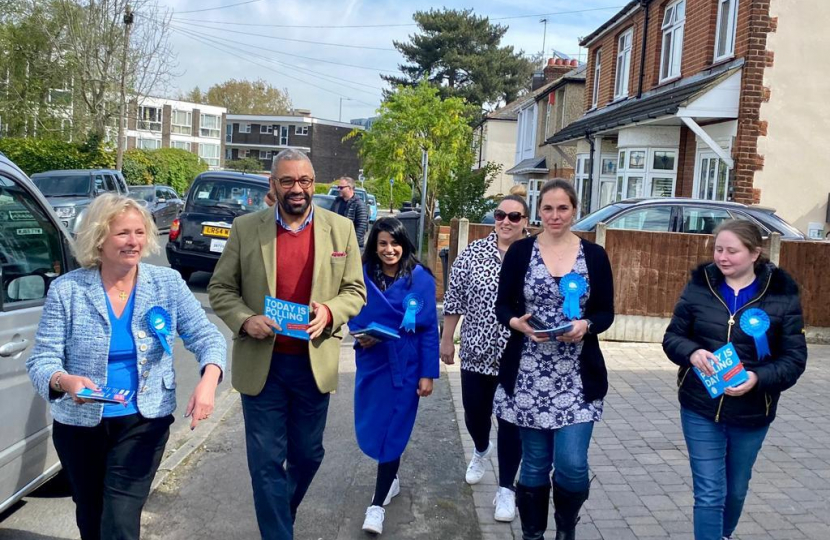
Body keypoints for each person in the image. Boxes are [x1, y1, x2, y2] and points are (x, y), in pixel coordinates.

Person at [26, 194, 226, 540]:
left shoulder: (166, 284)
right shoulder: (67, 290)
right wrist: (66, 381)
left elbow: (208, 337)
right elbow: (41, 360)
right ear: (99, 239)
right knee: (91, 515)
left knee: (120, 519)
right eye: (122, 234)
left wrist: (208, 381)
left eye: (139, 232)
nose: (133, 242)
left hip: (143, 421)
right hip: (80, 426)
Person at [208, 149, 366, 540]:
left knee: (308, 456)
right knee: (265, 464)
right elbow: (221, 288)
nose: (298, 189)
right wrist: (246, 319)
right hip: (264, 366)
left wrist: (329, 312)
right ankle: (278, 532)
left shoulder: (340, 229)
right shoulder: (246, 228)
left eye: (305, 181)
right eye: (288, 181)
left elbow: (355, 291)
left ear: (315, 184)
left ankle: (279, 515)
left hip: (314, 365)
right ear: (273, 185)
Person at [663, 219, 807, 540]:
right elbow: (672, 338)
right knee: (709, 493)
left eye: (732, 251)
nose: (722, 257)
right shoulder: (699, 288)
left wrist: (757, 378)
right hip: (701, 407)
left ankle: (723, 535)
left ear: (755, 253)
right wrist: (692, 353)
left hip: (753, 412)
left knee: (736, 490)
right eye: (718, 249)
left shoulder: (782, 298)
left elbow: (795, 360)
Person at [494, 179, 614, 540]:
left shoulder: (593, 256)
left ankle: (566, 530)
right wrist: (516, 322)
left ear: (574, 210)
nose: (555, 215)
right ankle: (533, 535)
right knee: (533, 463)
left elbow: (607, 312)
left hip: (577, 376)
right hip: (529, 373)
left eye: (562, 208)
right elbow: (503, 306)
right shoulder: (520, 252)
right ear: (539, 211)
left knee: (572, 464)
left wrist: (586, 324)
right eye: (548, 208)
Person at [348, 217, 439, 535]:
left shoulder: (421, 280)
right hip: (373, 365)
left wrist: (428, 374)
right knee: (374, 427)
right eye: (382, 243)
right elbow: (351, 312)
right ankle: (392, 478)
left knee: (393, 433)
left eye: (395, 243)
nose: (389, 249)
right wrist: (360, 333)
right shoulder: (361, 275)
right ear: (374, 245)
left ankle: (376, 506)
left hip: (406, 368)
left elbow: (428, 330)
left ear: (405, 244)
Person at [441, 195, 529, 523]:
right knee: (475, 415)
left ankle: (506, 488)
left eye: (514, 216)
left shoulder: (533, 256)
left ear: (525, 221)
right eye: (500, 214)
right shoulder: (474, 253)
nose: (506, 221)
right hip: (476, 353)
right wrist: (447, 338)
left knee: (511, 423)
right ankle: (480, 450)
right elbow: (455, 297)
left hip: (518, 357)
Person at [331, 176, 369, 249]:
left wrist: (351, 244)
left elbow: (361, 226)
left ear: (350, 188)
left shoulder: (359, 204)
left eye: (341, 188)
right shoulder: (337, 202)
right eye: (338, 187)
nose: (339, 189)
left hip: (353, 246)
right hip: (337, 243)